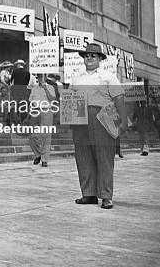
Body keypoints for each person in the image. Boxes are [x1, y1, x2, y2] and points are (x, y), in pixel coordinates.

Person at [70, 43, 127, 210]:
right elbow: (70, 100)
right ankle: (88, 194)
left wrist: (123, 122)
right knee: (83, 156)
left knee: (104, 157)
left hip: (103, 118)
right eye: (86, 55)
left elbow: (119, 99)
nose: (89, 58)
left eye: (93, 55)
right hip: (80, 120)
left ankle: (106, 196)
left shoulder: (108, 77)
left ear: (100, 59)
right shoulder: (76, 78)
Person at [29, 74, 58, 167]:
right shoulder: (34, 88)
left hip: (47, 110)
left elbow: (53, 99)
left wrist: (45, 88)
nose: (40, 79)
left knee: (46, 135)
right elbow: (30, 101)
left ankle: (44, 159)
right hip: (36, 111)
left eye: (42, 77)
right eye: (39, 77)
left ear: (45, 77)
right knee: (33, 136)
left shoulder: (50, 87)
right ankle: (38, 154)